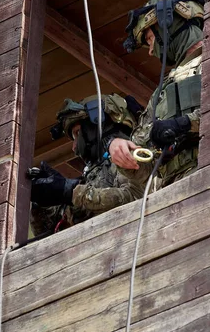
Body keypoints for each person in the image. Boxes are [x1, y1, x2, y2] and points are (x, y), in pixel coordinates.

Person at [109, 0, 204, 187]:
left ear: (168, 23)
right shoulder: (160, 94)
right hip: (170, 194)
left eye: (151, 39)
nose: (151, 51)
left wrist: (184, 124)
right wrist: (121, 152)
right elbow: (145, 170)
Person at [30, 93, 145, 235]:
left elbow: (132, 199)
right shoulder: (92, 177)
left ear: (99, 124)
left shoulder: (133, 155)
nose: (74, 147)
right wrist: (43, 200)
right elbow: (50, 232)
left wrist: (71, 192)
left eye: (77, 133)